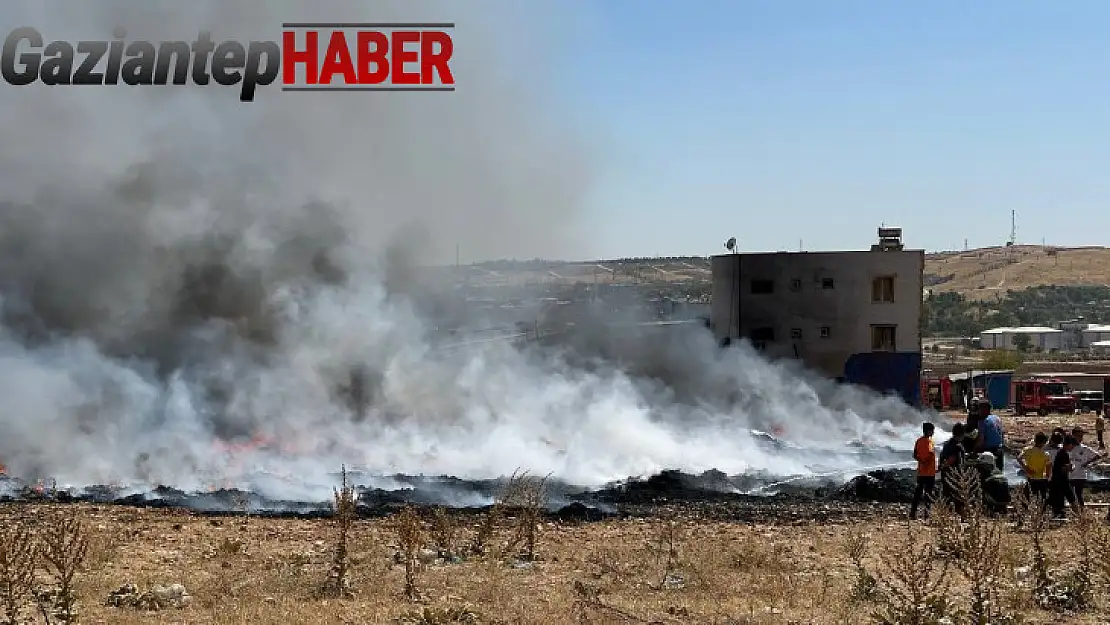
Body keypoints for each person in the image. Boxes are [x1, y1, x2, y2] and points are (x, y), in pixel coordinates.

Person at [1067, 428, 1104, 509]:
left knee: (1078, 494)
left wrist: (1087, 463)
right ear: (1073, 436)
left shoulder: (1084, 448)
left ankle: (1081, 511)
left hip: (1080, 475)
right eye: (1079, 436)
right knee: (1070, 495)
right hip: (1069, 475)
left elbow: (1097, 455)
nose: (1080, 438)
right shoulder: (1067, 448)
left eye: (1081, 436)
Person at [1047, 436, 1080, 519]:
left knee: (1070, 500)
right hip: (1061, 482)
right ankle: (1078, 518)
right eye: (1072, 446)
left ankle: (1079, 517)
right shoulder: (1063, 454)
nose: (1072, 448)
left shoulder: (1061, 452)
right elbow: (1063, 469)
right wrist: (1072, 467)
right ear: (1069, 445)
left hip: (1060, 481)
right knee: (1070, 500)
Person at [910, 422, 937, 520]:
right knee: (928, 494)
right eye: (932, 430)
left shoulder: (918, 441)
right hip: (929, 473)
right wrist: (927, 462)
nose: (933, 432)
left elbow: (914, 454)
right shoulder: (929, 442)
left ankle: (913, 513)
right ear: (928, 431)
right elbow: (930, 453)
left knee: (917, 493)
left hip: (921, 472)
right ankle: (927, 514)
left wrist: (921, 461)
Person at [939, 422, 967, 510]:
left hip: (945, 474)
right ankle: (960, 516)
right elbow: (952, 459)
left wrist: (942, 467)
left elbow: (942, 458)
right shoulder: (958, 447)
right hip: (955, 474)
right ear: (962, 434)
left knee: (946, 495)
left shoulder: (947, 444)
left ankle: (946, 513)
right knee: (958, 496)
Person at [1018, 432, 1051, 504]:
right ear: (1043, 443)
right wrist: (1048, 476)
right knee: (1043, 499)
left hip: (1031, 478)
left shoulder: (1027, 450)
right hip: (1042, 479)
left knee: (1029, 499)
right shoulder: (1046, 454)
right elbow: (1048, 466)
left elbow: (1019, 458)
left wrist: (1026, 468)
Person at [975, 400, 1005, 471]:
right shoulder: (997, 418)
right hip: (1000, 450)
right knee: (999, 473)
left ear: (984, 409)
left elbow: (981, 441)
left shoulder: (982, 421)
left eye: (979, 409)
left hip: (989, 452)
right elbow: (1002, 434)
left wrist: (974, 451)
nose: (978, 412)